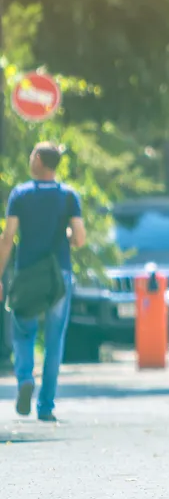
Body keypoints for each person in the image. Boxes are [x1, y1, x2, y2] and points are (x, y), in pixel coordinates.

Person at [0, 142, 86, 422]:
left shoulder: (20, 195)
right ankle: (46, 405)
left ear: (37, 159)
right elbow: (80, 239)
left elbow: (8, 238)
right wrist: (70, 234)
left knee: (23, 331)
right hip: (58, 275)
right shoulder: (69, 196)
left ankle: (25, 378)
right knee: (54, 339)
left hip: (26, 274)